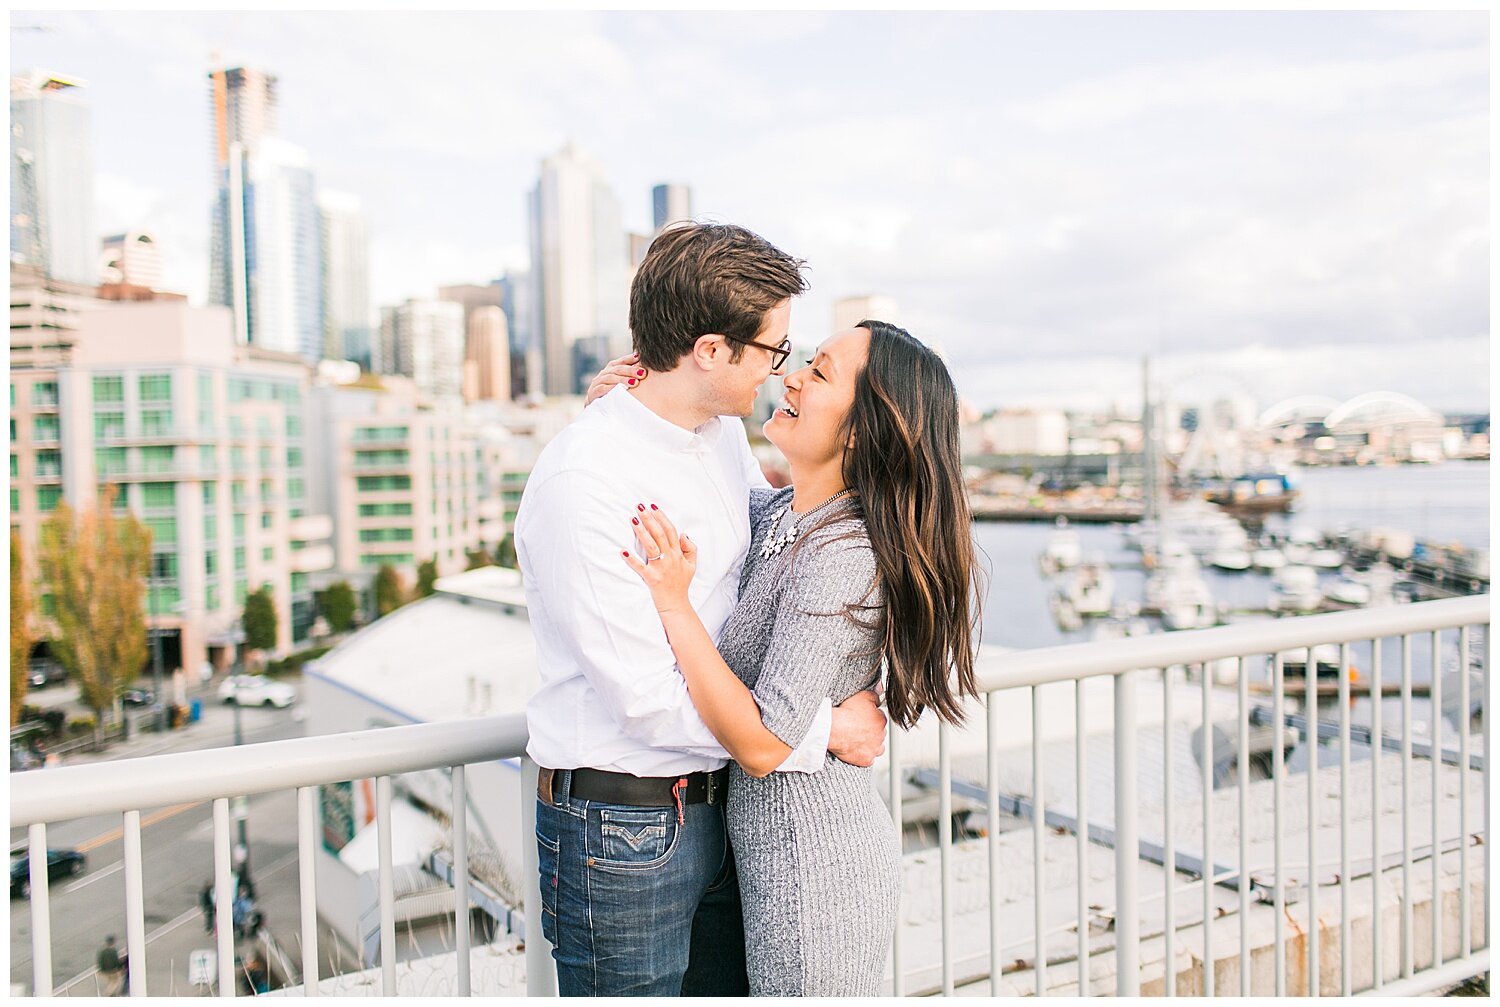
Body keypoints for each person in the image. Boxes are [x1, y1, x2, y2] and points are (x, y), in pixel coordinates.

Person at [518, 223, 889, 997]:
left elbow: (765, 527)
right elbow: (651, 704)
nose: (782, 371)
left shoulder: (717, 434)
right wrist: (817, 730)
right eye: (774, 351)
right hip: (622, 829)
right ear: (712, 351)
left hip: (718, 813)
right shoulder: (586, 482)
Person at [619, 320, 981, 995]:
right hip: (769, 858)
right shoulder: (785, 513)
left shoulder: (843, 553)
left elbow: (762, 743)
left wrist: (674, 606)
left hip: (813, 871)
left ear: (860, 431)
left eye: (819, 373)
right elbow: (694, 479)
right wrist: (625, 403)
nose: (793, 375)